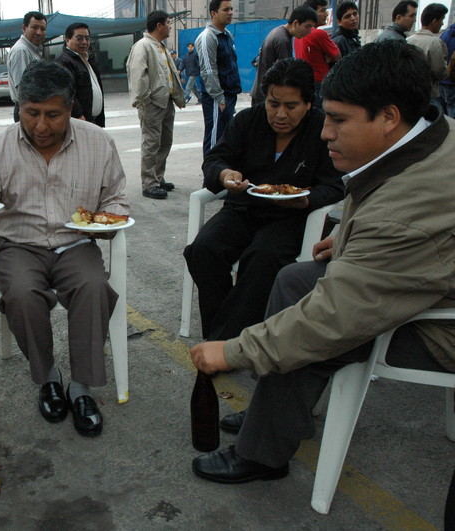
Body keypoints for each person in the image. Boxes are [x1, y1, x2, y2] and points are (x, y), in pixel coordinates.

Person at [190, 41, 455, 485]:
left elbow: (333, 318)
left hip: (440, 327)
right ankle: (273, 419)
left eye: (338, 120)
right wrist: (351, 238)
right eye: (326, 117)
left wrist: (233, 351)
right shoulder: (433, 130)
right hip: (425, 275)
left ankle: (262, 453)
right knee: (292, 278)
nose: (326, 132)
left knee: (304, 310)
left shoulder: (405, 212)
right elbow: (374, 191)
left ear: (389, 116)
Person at [0, 61, 129, 437]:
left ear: (70, 109)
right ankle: (48, 376)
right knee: (20, 292)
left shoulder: (98, 142)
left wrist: (108, 221)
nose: (41, 126)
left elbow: (115, 197)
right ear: (19, 106)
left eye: (53, 114)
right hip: (18, 245)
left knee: (93, 286)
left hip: (76, 242)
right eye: (31, 113)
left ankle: (81, 387)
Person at [184, 58, 344, 341]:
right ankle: (226, 332)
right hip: (244, 208)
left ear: (308, 103)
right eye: (273, 104)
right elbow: (216, 159)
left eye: (291, 106)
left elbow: (334, 185)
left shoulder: (322, 130)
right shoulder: (247, 121)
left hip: (292, 217)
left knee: (262, 257)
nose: (280, 114)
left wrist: (306, 201)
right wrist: (224, 174)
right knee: (203, 249)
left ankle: (224, 341)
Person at [126, 10, 185, 199]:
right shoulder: (142, 46)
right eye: (168, 23)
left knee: (165, 141)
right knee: (151, 143)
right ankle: (149, 183)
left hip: (166, 101)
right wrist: (145, 99)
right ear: (159, 25)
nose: (170, 27)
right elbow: (137, 75)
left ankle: (158, 177)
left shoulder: (161, 47)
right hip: (151, 103)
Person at [195, 0, 242, 157]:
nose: (230, 13)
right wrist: (219, 98)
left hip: (229, 93)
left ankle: (222, 172)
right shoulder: (208, 37)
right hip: (216, 97)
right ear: (213, 13)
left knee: (226, 136)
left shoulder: (227, 35)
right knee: (214, 136)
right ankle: (210, 176)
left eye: (231, 9)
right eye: (225, 10)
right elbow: (208, 71)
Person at [250, 6, 317, 105]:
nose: (309, 31)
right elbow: (288, 72)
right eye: (307, 26)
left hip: (261, 92)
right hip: (267, 96)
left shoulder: (278, 32)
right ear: (295, 23)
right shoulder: (283, 40)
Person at [54, 22, 106, 127]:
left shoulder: (88, 59)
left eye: (87, 38)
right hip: (80, 121)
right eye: (79, 38)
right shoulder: (64, 62)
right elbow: (66, 93)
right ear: (67, 39)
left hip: (93, 120)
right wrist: (78, 115)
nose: (84, 42)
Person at [294, 0, 341, 109]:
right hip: (319, 84)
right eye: (323, 10)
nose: (327, 14)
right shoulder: (319, 34)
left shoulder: (298, 35)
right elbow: (337, 56)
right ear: (312, 13)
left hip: (305, 83)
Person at [8, 11, 47, 122]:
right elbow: (24, 88)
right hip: (29, 111)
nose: (39, 32)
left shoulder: (33, 49)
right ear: (24, 28)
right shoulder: (21, 51)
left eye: (43, 29)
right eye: (34, 27)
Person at [407, 3, 449, 106]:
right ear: (435, 21)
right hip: (428, 93)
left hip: (409, 91)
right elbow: (440, 71)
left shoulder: (408, 40)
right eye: (442, 20)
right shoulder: (435, 43)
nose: (442, 24)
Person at [438, 20, 455, 118]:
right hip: (452, 81)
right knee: (451, 107)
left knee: (443, 107)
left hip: (442, 79)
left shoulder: (445, 35)